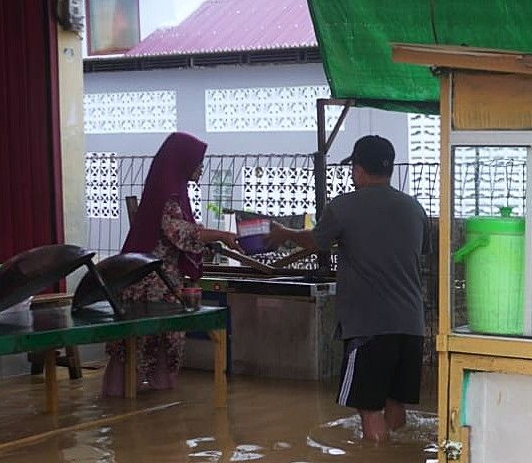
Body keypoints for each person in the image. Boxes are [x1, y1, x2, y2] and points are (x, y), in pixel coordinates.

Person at [268, 135, 429, 442]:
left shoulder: (344, 207)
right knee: (395, 403)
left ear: (357, 169)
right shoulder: (414, 208)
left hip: (369, 327)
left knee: (368, 409)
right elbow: (419, 250)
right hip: (411, 326)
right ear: (390, 168)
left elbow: (317, 240)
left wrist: (282, 234)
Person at [104, 132, 238, 396]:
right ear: (183, 161)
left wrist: (213, 239)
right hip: (149, 286)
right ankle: (125, 405)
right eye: (198, 163)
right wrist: (221, 234)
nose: (201, 169)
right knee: (140, 347)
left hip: (163, 283)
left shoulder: (172, 189)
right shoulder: (167, 193)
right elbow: (180, 232)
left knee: (163, 344)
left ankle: (154, 409)